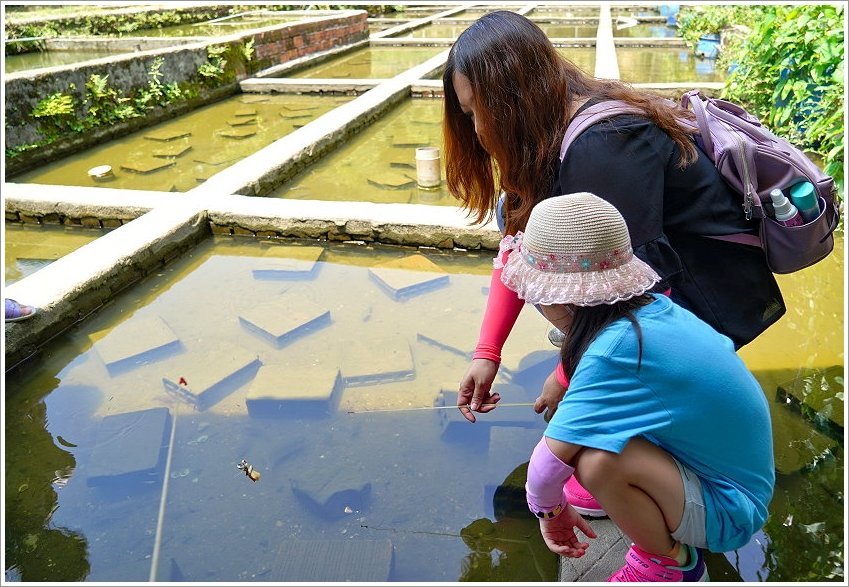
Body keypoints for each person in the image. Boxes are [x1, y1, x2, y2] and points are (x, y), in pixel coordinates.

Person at [443, 10, 783, 516]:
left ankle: (654, 458)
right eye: (467, 113)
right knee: (513, 211)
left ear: (511, 101)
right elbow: (519, 246)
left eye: (478, 113)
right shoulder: (549, 129)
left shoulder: (605, 146)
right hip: (654, 282)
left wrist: (568, 376)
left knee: (605, 401)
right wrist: (487, 353)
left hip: (708, 292)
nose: (475, 130)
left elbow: (633, 297)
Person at [504, 192, 774, 581]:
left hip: (729, 510)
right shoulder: (652, 312)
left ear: (562, 301)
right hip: (733, 480)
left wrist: (550, 514)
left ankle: (669, 563)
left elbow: (546, 466)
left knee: (596, 463)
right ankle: (635, 496)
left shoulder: (612, 353)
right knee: (592, 440)